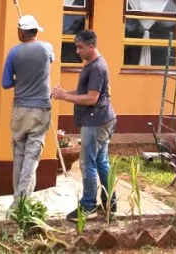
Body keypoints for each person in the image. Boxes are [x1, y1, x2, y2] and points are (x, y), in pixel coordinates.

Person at [51, 29, 116, 222]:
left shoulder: (97, 67)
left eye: (80, 47)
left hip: (96, 121)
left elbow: (91, 98)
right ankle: (109, 203)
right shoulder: (91, 64)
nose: (77, 51)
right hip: (101, 119)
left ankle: (89, 205)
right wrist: (64, 93)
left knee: (87, 163)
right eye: (76, 47)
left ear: (91, 46)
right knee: (101, 162)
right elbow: (83, 91)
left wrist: (64, 97)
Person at [1, 15, 54, 202]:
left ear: (22, 33)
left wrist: (21, 80)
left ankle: (21, 198)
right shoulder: (46, 49)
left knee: (19, 155)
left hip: (20, 110)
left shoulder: (14, 53)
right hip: (40, 110)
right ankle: (22, 200)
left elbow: (6, 83)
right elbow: (50, 60)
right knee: (32, 156)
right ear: (35, 31)